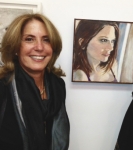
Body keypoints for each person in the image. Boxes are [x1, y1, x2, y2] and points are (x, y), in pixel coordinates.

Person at [0, 13, 69, 150]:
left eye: (46, 40)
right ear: (15, 47)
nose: (39, 47)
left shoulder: (58, 85)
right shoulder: (3, 86)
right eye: (29, 39)